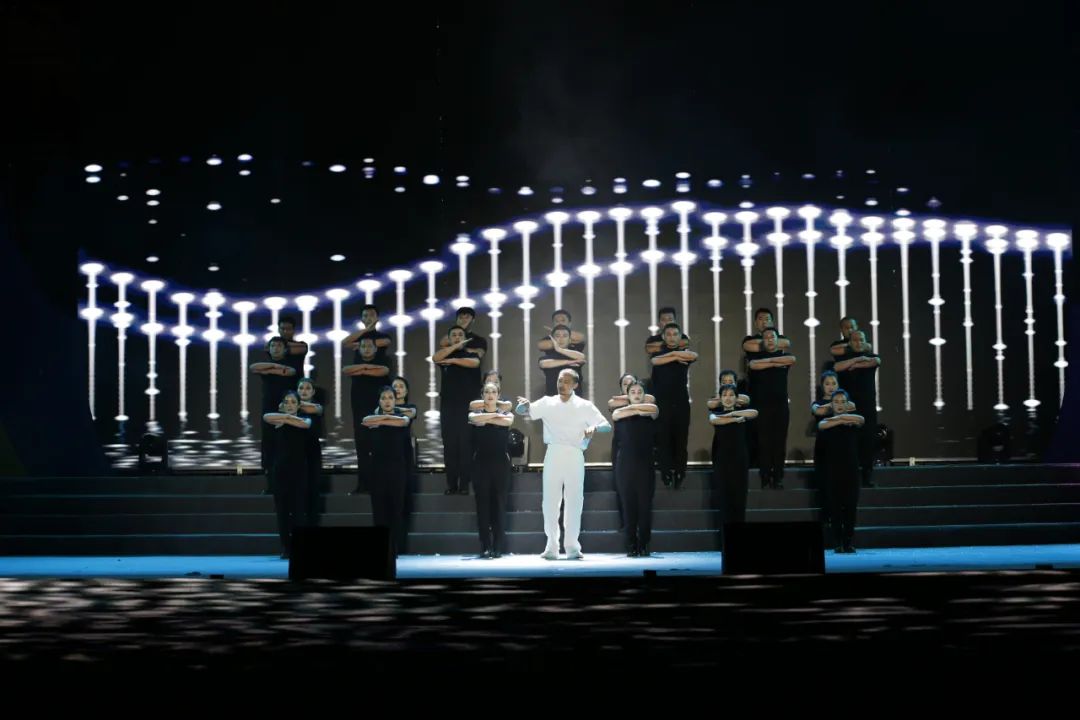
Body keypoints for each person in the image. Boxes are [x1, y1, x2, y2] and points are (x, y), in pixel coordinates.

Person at [515, 368, 611, 560]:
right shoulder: (548, 402)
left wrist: (593, 427)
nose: (562, 384)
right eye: (560, 380)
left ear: (575, 384)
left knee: (574, 501)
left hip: (575, 453)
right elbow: (522, 411)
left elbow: (606, 425)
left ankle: (572, 546)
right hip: (554, 453)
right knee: (550, 502)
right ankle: (551, 545)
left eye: (567, 381)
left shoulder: (584, 405)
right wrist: (523, 406)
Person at [262, 390, 312, 559]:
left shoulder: (305, 419)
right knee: (282, 511)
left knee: (298, 511)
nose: (289, 405)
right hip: (280, 471)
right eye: (286, 402)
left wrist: (285, 418)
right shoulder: (277, 419)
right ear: (282, 404)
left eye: (293, 402)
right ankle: (286, 546)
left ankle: (299, 546)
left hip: (299, 471)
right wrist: (286, 417)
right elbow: (266, 417)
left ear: (298, 405)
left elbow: (304, 424)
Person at [362, 386, 412, 555]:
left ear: (395, 400)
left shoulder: (402, 418)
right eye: (383, 398)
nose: (387, 401)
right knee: (379, 511)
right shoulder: (371, 418)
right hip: (377, 470)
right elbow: (366, 421)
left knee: (396, 510)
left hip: (397, 470)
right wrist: (386, 419)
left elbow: (403, 422)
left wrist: (381, 420)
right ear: (379, 401)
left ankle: (394, 548)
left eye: (390, 397)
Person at [612, 381, 658, 557]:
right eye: (633, 392)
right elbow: (616, 414)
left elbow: (654, 410)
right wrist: (637, 409)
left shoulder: (651, 410)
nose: (637, 395)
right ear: (628, 395)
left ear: (644, 395)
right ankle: (631, 544)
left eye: (640, 392)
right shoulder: (619, 412)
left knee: (645, 505)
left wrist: (633, 409)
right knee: (628, 505)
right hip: (625, 465)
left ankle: (644, 544)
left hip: (645, 464)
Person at [433, 325, 481, 494]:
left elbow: (474, 363)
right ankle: (451, 484)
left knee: (465, 445)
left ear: (465, 337)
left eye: (460, 335)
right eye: (453, 335)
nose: (457, 337)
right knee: (449, 446)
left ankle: (464, 485)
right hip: (448, 407)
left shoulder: (472, 354)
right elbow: (435, 358)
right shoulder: (444, 355)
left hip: (467, 407)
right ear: (449, 338)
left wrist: (453, 361)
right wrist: (451, 349)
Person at [469, 382, 515, 558]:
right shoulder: (475, 414)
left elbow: (508, 421)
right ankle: (485, 546)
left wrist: (487, 418)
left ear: (498, 395)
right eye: (487, 392)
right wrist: (496, 417)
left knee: (499, 505)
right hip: (480, 464)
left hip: (501, 464)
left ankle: (498, 546)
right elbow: (474, 419)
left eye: (493, 392)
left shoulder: (507, 414)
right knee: (483, 506)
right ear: (482, 396)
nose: (490, 395)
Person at [649, 322, 698, 488]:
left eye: (675, 334)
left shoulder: (686, 353)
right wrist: (677, 356)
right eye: (668, 334)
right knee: (663, 438)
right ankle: (665, 472)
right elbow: (655, 361)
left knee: (681, 439)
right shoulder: (658, 354)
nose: (672, 337)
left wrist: (675, 355)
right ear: (663, 337)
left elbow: (694, 356)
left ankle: (679, 471)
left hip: (681, 402)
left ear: (680, 337)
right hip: (662, 402)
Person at [709, 384, 759, 544]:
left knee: (739, 500)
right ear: (720, 398)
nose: (728, 398)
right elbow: (715, 420)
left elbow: (754, 412)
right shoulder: (715, 413)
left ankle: (739, 541)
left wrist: (733, 413)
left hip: (739, 460)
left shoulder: (742, 412)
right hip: (722, 460)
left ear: (737, 398)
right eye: (725, 395)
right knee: (724, 500)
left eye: (731, 395)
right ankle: (725, 541)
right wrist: (735, 419)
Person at [746, 327, 796, 489]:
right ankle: (765, 475)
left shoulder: (785, 355)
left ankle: (778, 476)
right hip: (762, 406)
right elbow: (754, 365)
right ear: (762, 341)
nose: (769, 339)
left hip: (781, 406)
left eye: (772, 337)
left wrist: (768, 363)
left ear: (777, 340)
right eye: (766, 337)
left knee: (780, 441)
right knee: (764, 441)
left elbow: (792, 359)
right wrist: (774, 362)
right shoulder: (755, 357)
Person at [816, 389, 865, 553]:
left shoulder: (854, 421)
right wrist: (842, 419)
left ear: (847, 404)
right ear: (831, 404)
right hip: (832, 472)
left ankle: (848, 541)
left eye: (843, 402)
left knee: (851, 507)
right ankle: (838, 542)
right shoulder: (826, 422)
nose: (839, 405)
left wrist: (842, 418)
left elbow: (861, 419)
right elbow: (822, 425)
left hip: (851, 471)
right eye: (836, 402)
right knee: (835, 507)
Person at [250, 336, 298, 494]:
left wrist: (270, 369)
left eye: (279, 345)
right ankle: (271, 485)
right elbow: (253, 367)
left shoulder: (292, 364)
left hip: (287, 410)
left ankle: (289, 485)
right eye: (273, 345)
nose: (276, 348)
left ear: (285, 349)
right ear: (269, 349)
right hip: (268, 409)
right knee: (269, 447)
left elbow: (290, 372)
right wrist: (277, 368)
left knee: (286, 447)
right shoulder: (265, 364)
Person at [833, 330, 881, 487]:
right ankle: (849, 478)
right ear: (850, 342)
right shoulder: (843, 358)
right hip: (849, 407)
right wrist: (858, 359)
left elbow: (875, 362)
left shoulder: (872, 356)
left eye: (861, 339)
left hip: (868, 407)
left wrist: (853, 365)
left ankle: (867, 476)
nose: (858, 342)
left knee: (868, 441)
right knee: (849, 443)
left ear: (865, 341)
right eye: (855, 340)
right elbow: (837, 367)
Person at [343, 336, 390, 494]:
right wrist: (366, 367)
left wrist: (361, 369)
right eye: (363, 346)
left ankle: (380, 485)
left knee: (379, 450)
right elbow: (345, 370)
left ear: (376, 349)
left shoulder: (383, 363)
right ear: (359, 349)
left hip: (378, 414)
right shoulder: (353, 364)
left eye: (370, 346)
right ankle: (363, 485)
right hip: (359, 414)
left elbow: (382, 371)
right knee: (362, 451)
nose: (367, 348)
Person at [297, 377, 325, 526]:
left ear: (313, 392)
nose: (304, 391)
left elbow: (313, 409)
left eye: (307, 388)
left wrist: (294, 404)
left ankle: (312, 523)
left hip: (312, 450)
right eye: (301, 388)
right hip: (295, 451)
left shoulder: (317, 407)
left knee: (312, 487)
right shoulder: (289, 406)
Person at [539, 324, 587, 396]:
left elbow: (582, 357)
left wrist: (559, 349)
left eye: (565, 336)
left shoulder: (575, 355)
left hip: (574, 400)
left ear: (570, 340)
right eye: (557, 336)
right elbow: (544, 364)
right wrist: (569, 362)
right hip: (553, 400)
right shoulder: (547, 357)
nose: (561, 339)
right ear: (553, 340)